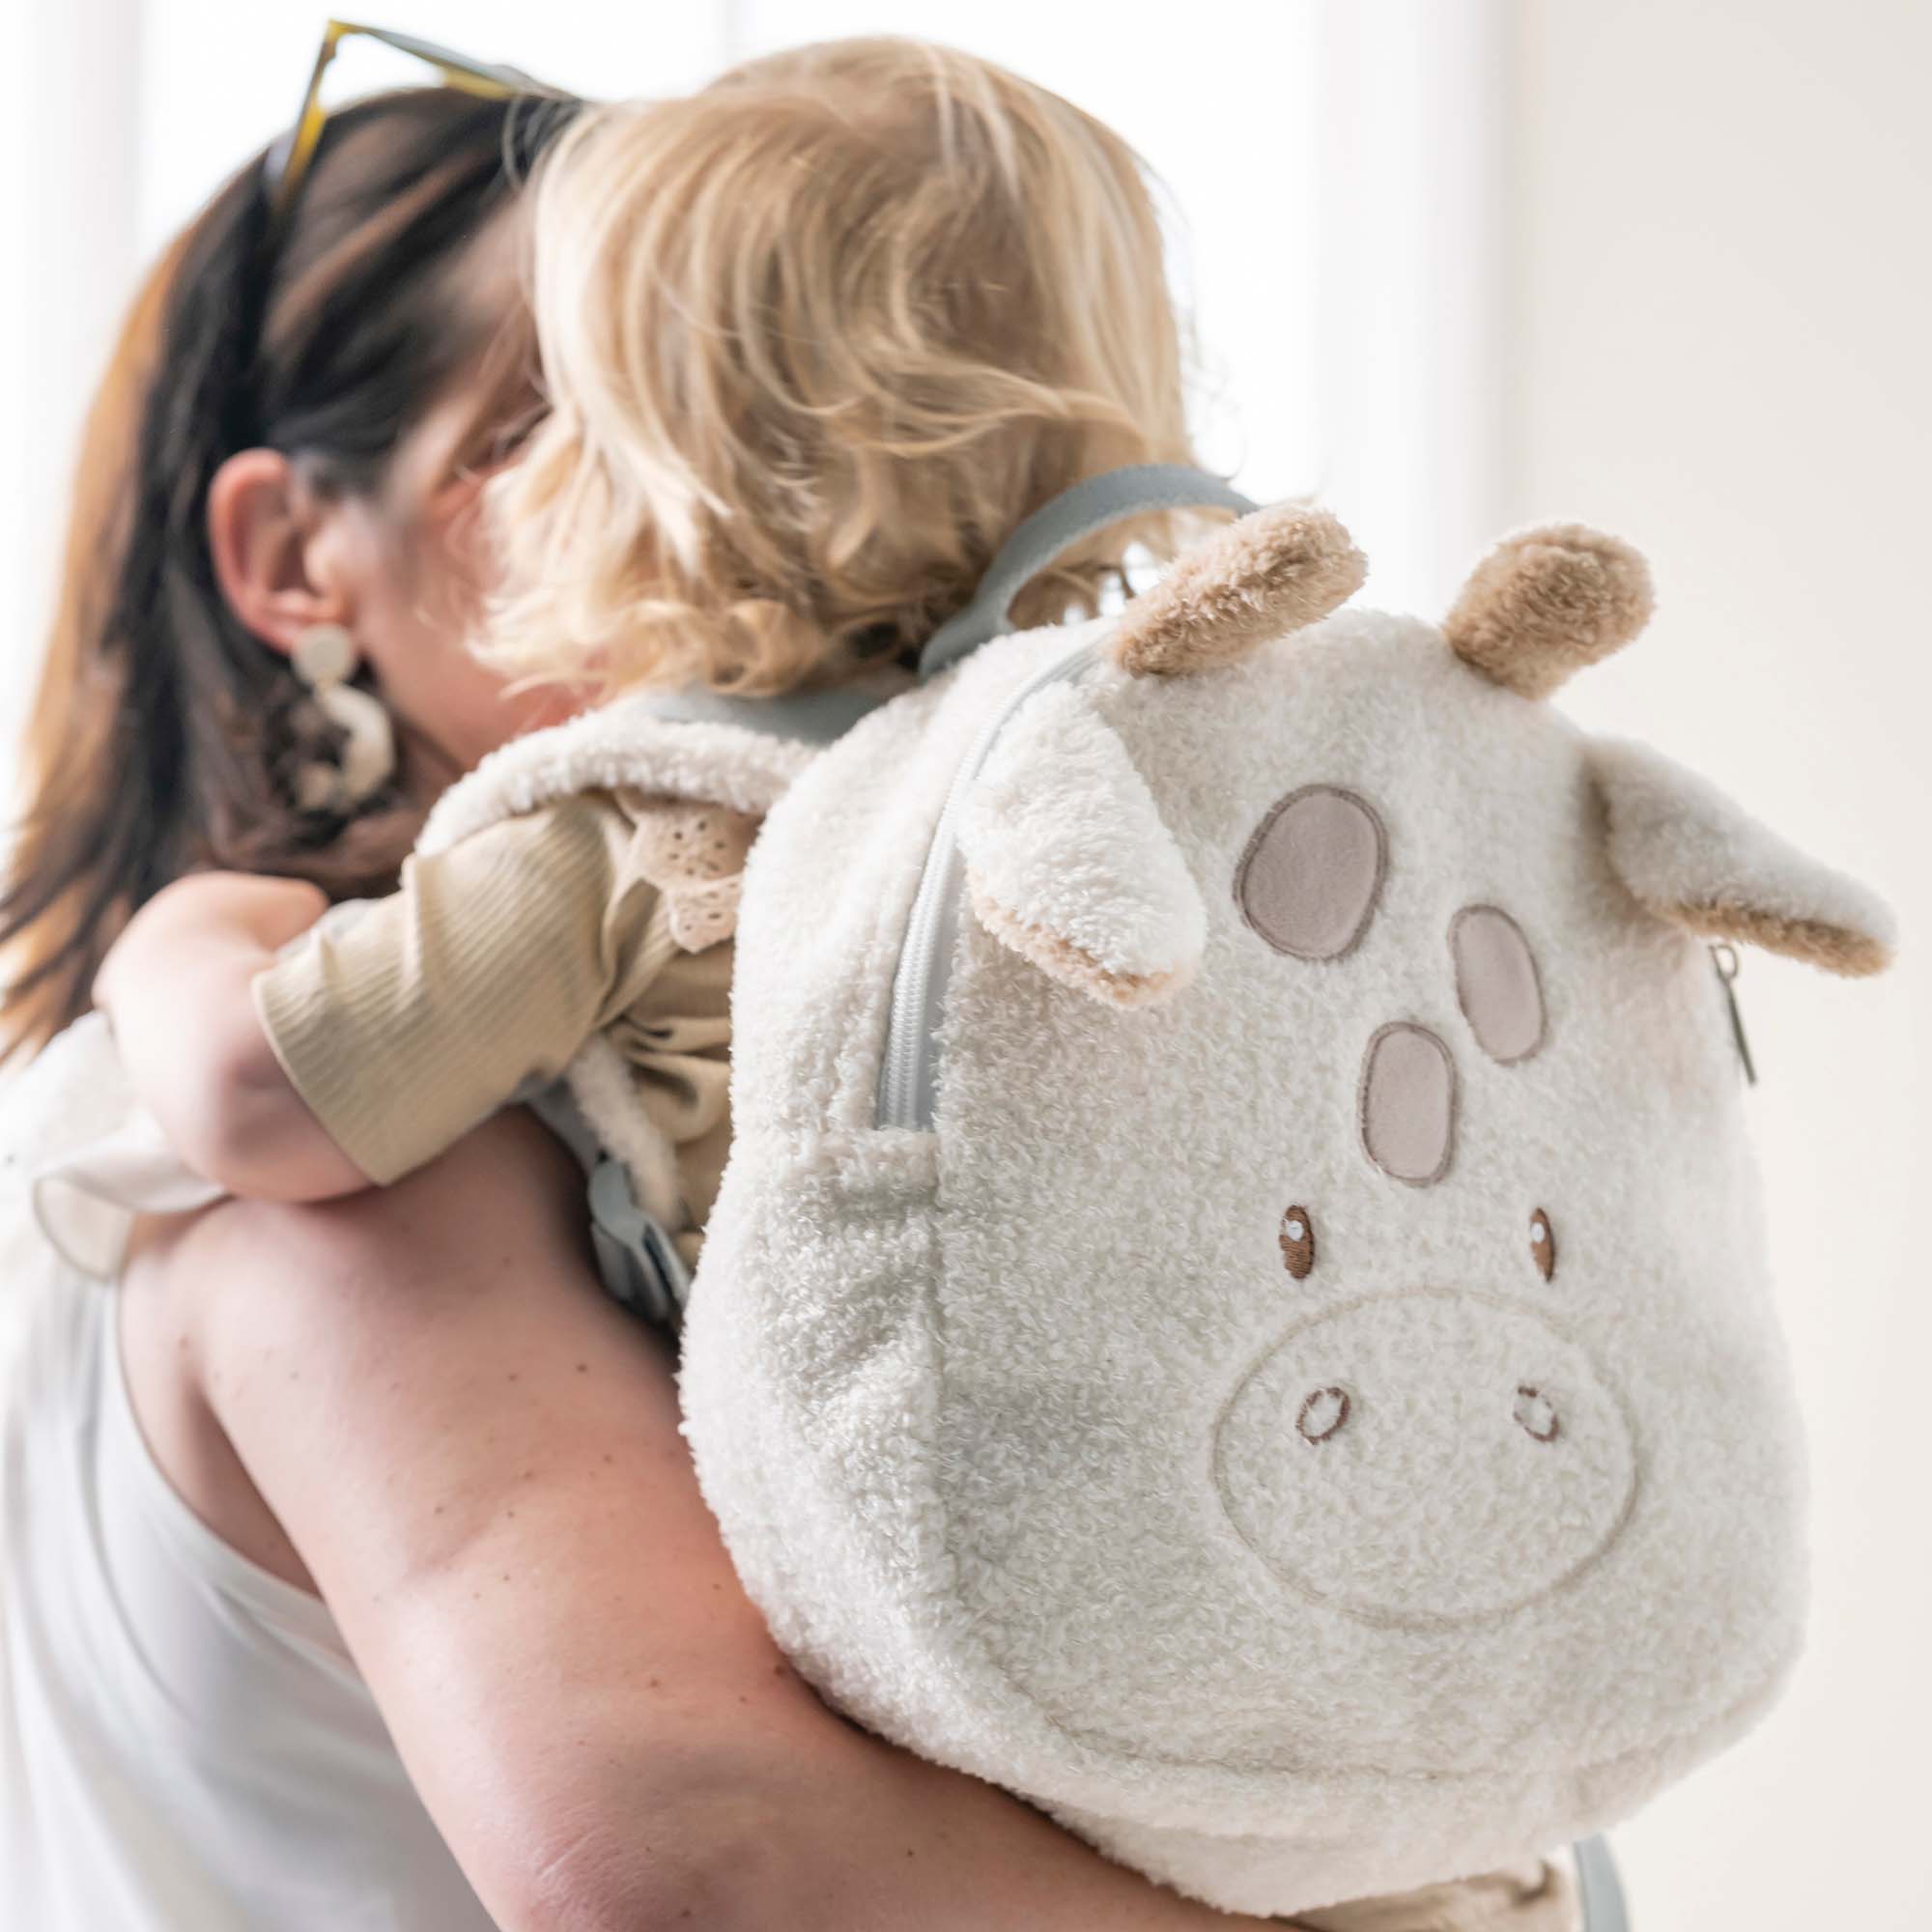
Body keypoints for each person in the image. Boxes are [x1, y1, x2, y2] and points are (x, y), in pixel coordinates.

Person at [71, 37, 1583, 1932]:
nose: (708, 457)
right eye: (573, 401)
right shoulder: (392, 1165)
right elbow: (696, 1857)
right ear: (298, 557)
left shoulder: (849, 900)